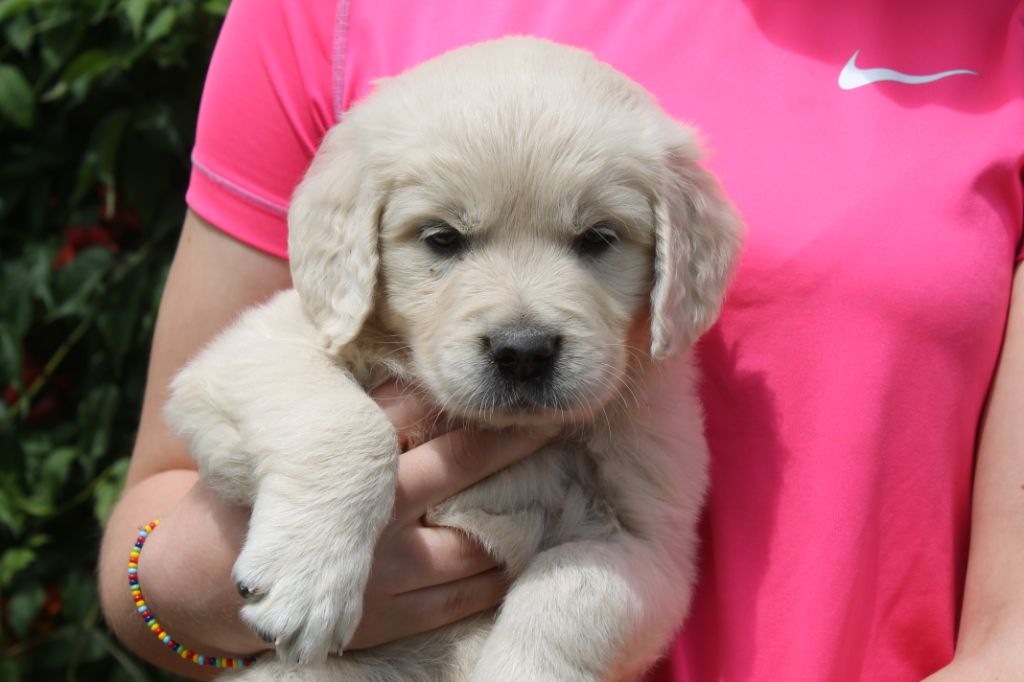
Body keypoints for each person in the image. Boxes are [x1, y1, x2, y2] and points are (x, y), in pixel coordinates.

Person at [98, 1, 1024, 679]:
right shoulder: (325, 21)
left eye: (594, 242)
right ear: (357, 240)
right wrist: (209, 582)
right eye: (445, 241)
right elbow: (193, 439)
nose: (525, 325)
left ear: (677, 254)